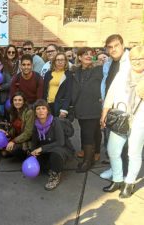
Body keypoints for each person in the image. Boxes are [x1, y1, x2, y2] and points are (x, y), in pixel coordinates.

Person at [100, 46, 144, 198]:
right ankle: (117, 179)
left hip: (140, 120)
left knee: (133, 152)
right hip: (121, 117)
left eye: (141, 58)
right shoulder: (123, 73)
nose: (137, 62)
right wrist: (104, 113)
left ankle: (129, 183)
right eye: (134, 59)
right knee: (113, 150)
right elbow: (110, 93)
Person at [99, 34, 131, 180]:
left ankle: (125, 174)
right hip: (109, 107)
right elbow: (107, 84)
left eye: (116, 46)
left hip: (126, 109)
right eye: (110, 47)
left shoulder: (131, 61)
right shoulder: (108, 63)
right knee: (110, 143)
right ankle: (114, 169)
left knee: (126, 146)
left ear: (122, 45)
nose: (113, 49)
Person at [30, 100, 73, 190]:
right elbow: (34, 140)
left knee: (55, 155)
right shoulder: (36, 123)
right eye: (38, 109)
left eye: (43, 108)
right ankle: (50, 166)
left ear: (47, 111)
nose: (41, 111)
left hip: (60, 148)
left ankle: (55, 175)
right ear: (35, 112)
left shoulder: (55, 121)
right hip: (46, 148)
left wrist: (41, 149)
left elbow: (60, 142)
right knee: (36, 160)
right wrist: (33, 151)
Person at [71, 47, 103, 173]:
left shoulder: (99, 69)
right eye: (85, 54)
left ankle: (87, 162)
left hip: (94, 106)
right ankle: (93, 152)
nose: (89, 56)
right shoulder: (75, 71)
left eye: (91, 54)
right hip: (80, 107)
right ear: (79, 57)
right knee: (92, 131)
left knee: (87, 134)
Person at [4, 92, 34, 159]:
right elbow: (14, 128)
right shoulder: (13, 111)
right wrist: (8, 134)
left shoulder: (29, 112)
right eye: (15, 100)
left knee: (12, 150)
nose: (17, 102)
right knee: (4, 148)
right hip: (17, 137)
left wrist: (13, 141)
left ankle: (27, 153)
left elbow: (28, 133)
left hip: (27, 139)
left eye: (20, 100)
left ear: (24, 102)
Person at [43, 52, 72, 118]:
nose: (60, 62)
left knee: (59, 127)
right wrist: (43, 105)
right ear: (54, 61)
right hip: (48, 104)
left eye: (62, 60)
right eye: (58, 60)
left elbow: (69, 93)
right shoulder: (48, 74)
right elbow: (44, 91)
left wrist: (64, 109)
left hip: (60, 106)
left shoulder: (68, 74)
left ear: (65, 61)